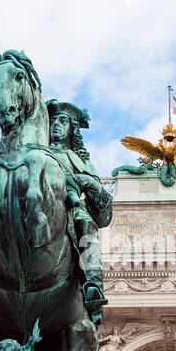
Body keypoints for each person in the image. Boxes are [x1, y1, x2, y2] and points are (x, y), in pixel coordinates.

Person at [47, 99, 112, 325]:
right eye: (52, 121)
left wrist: (89, 182)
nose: (55, 125)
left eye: (62, 121)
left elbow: (104, 215)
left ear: (72, 129)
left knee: (86, 224)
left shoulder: (80, 161)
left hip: (69, 209)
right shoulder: (32, 153)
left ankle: (93, 284)